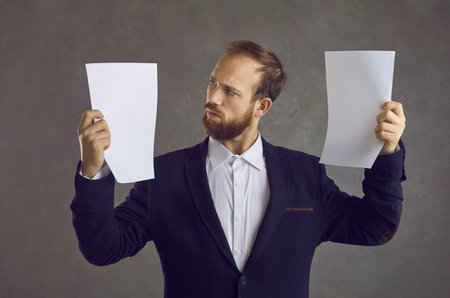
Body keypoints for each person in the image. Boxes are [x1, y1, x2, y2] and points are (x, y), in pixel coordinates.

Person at [71, 40, 406, 298]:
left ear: (261, 106)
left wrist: (386, 152)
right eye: (212, 83)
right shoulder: (164, 177)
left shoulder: (306, 175)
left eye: (229, 91)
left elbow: (375, 227)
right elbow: (102, 248)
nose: (213, 98)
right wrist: (93, 169)